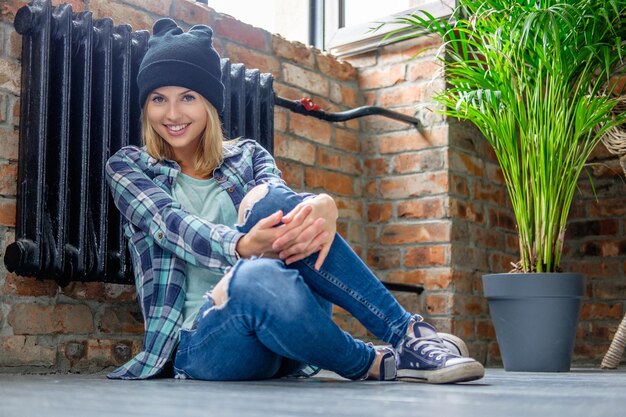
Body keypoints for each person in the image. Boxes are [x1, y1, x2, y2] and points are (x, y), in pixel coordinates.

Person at [105, 18, 485, 384]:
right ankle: (373, 362)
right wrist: (241, 246)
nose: (172, 114)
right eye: (159, 99)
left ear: (209, 104)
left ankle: (407, 334)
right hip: (204, 342)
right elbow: (169, 224)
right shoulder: (129, 167)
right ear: (146, 106)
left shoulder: (248, 156)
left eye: (187, 97)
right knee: (255, 278)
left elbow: (285, 209)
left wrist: (323, 204)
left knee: (271, 204)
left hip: (287, 326)